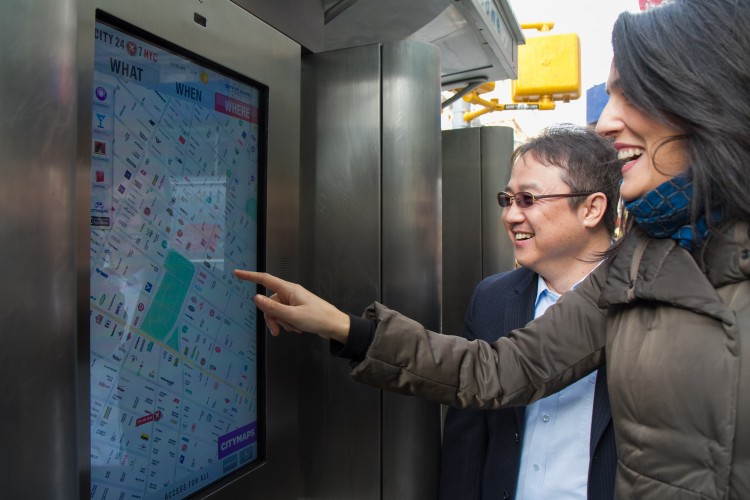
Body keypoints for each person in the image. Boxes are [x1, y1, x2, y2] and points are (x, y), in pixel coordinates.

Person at [235, 0, 750, 497]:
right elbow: (496, 372)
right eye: (507, 199)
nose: (609, 120)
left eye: (631, 94)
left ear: (703, 94)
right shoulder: (643, 264)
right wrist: (344, 327)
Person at [439, 125, 620, 500]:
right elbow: (467, 443)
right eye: (507, 199)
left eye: (527, 199)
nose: (510, 216)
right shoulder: (492, 298)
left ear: (591, 208)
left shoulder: (645, 300)